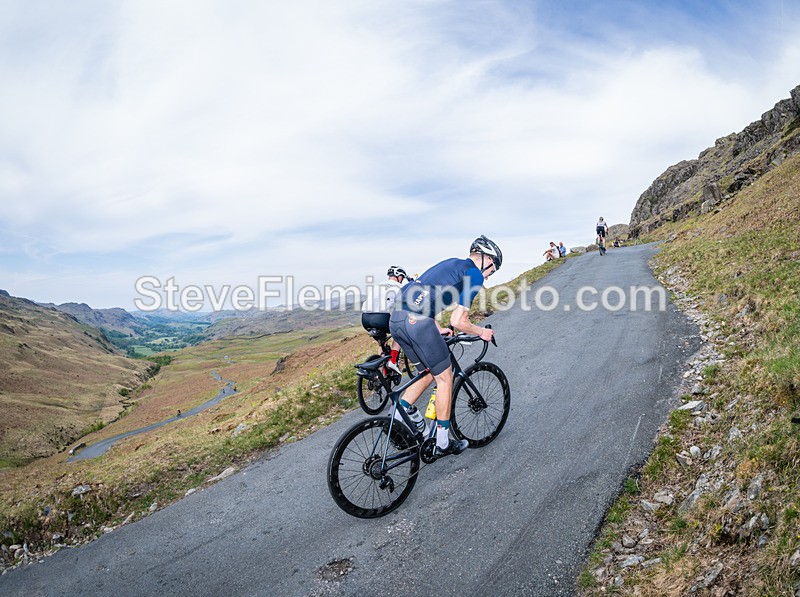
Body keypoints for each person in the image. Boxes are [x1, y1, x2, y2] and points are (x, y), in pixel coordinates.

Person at [389, 235, 500, 459]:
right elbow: (458, 322)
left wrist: (435, 326)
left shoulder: (451, 264)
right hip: (418, 323)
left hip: (397, 321)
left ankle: (397, 419)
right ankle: (442, 442)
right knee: (445, 378)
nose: (488, 277)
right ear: (486, 259)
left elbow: (422, 293)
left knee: (427, 373)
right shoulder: (474, 274)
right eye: (492, 270)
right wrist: (482, 332)